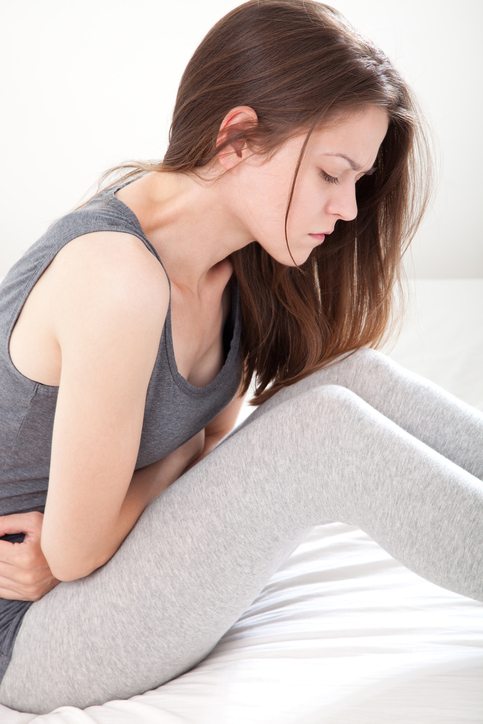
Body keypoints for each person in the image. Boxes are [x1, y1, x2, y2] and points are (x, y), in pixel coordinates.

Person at [0, 0, 481, 714]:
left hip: (93, 573)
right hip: (35, 632)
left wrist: (189, 449)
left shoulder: (234, 267)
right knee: (321, 432)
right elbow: (71, 554)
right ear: (238, 136)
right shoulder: (116, 275)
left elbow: (211, 442)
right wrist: (184, 451)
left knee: (353, 377)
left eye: (356, 182)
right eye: (329, 173)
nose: (348, 208)